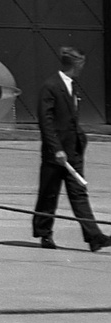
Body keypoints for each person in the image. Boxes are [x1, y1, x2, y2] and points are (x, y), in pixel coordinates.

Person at [32, 46, 110, 252]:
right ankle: (44, 234)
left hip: (73, 151)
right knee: (49, 194)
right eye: (82, 63)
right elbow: (46, 121)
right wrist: (56, 149)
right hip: (56, 154)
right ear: (76, 64)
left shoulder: (72, 86)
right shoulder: (51, 86)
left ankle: (94, 237)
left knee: (78, 193)